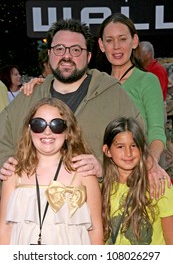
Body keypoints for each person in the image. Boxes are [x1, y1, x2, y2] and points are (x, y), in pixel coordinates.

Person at [0, 18, 168, 200]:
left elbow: (138, 146)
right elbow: (3, 134)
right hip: (36, 213)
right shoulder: (30, 96)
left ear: (88, 57)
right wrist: (6, 162)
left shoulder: (113, 94)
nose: (66, 56)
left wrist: (103, 169)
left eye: (76, 50)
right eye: (59, 49)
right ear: (49, 54)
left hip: (97, 212)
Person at [0, 97, 103, 245]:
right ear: (29, 130)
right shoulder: (13, 174)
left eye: (56, 125)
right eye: (39, 124)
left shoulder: (83, 173)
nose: (47, 132)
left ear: (68, 132)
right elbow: (5, 229)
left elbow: (96, 230)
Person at [97, 13, 170, 199]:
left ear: (134, 41)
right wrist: (39, 83)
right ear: (101, 45)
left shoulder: (147, 81)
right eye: (109, 40)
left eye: (122, 39)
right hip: (103, 180)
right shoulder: (96, 83)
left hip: (140, 177)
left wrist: (151, 163)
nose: (116, 47)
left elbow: (156, 130)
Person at [102, 117, 173, 245]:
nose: (128, 153)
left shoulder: (159, 185)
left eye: (133, 146)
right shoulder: (100, 188)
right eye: (120, 147)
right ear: (107, 151)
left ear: (142, 148)